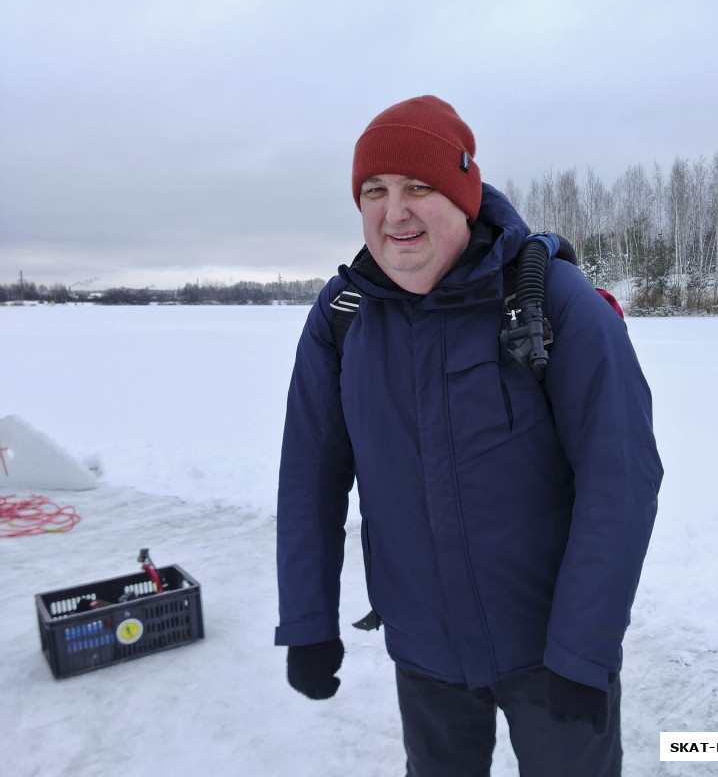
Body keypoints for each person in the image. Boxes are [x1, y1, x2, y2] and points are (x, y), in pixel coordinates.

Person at [275, 95, 663, 776]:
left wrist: (584, 648)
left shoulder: (555, 302)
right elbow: (310, 474)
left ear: (462, 195)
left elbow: (620, 479)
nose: (395, 212)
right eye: (375, 190)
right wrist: (307, 621)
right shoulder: (341, 318)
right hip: (424, 654)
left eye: (418, 187)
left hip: (552, 654)